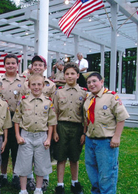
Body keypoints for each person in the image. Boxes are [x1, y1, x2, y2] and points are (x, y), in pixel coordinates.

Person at [83, 72, 130, 194]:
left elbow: (121, 117)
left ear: (102, 82)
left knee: (106, 174)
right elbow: (86, 120)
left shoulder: (111, 97)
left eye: (94, 81)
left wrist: (117, 137)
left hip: (106, 141)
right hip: (90, 140)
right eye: (89, 82)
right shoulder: (89, 99)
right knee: (92, 172)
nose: (91, 84)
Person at [13, 74, 57, 194]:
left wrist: (48, 139)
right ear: (29, 85)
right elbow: (16, 119)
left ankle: (38, 189)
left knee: (41, 164)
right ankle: (23, 190)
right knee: (24, 164)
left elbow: (51, 122)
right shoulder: (23, 100)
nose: (36, 87)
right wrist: (18, 136)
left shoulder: (48, 102)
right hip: (26, 136)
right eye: (33, 84)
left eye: (39, 84)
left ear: (43, 86)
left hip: (41, 136)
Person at [52, 62, 87, 194]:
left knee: (74, 156)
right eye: (67, 74)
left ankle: (74, 182)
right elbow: (54, 113)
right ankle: (60, 184)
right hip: (61, 126)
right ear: (64, 75)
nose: (70, 76)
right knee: (60, 157)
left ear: (78, 75)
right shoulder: (58, 92)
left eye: (73, 73)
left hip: (77, 128)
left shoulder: (84, 93)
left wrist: (84, 133)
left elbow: (85, 116)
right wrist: (55, 131)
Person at [23, 55, 56, 191]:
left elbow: (53, 108)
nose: (37, 67)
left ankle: (45, 178)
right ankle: (30, 177)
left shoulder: (51, 85)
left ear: (45, 67)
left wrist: (53, 131)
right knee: (28, 153)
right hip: (29, 123)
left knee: (43, 154)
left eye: (40, 65)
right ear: (31, 67)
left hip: (43, 124)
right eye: (35, 64)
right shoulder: (25, 83)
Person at [0, 54, 26, 189]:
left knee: (16, 149)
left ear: (17, 65)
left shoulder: (23, 81)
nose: (10, 65)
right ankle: (2, 175)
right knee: (3, 149)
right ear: (4, 65)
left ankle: (16, 175)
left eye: (13, 63)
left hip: (18, 119)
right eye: (8, 63)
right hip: (2, 119)